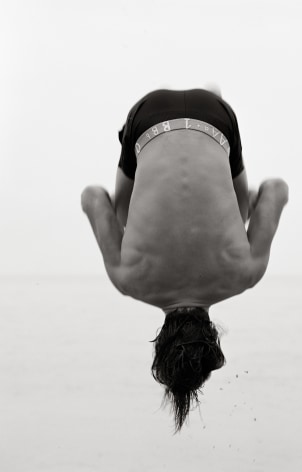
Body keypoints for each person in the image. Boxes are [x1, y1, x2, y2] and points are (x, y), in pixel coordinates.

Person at [81, 86, 289, 432]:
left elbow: (277, 188)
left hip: (216, 118)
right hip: (148, 115)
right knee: (122, 220)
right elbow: (92, 196)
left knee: (240, 216)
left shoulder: (244, 274)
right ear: (160, 339)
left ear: (213, 337)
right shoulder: (128, 279)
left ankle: (226, 186)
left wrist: (247, 211)